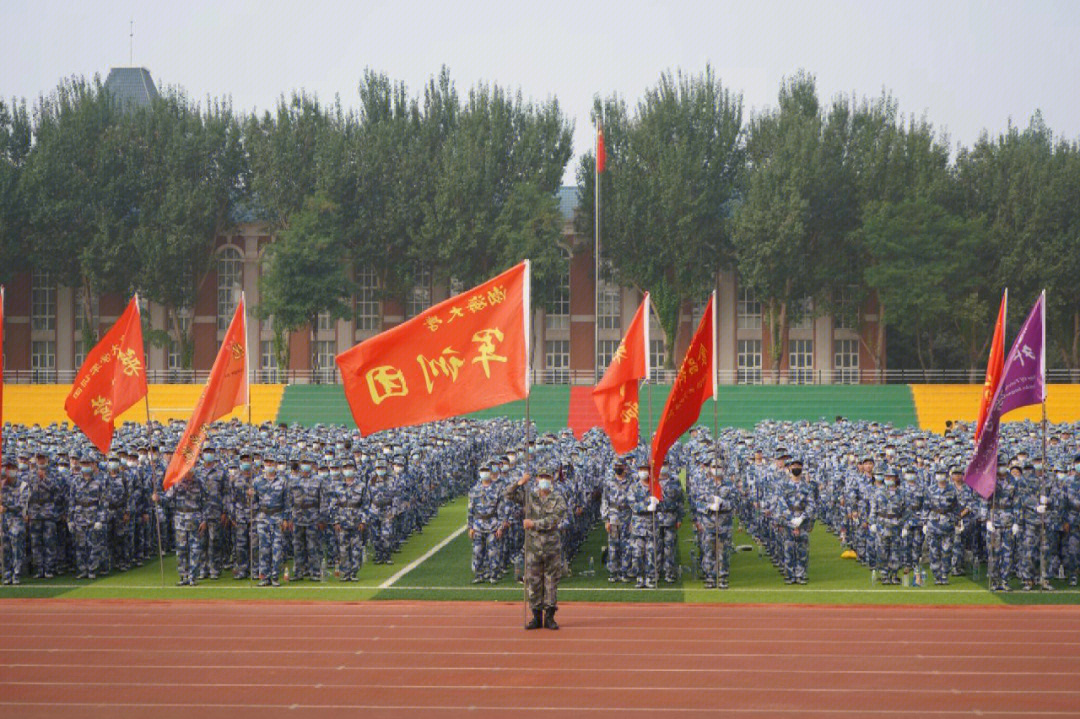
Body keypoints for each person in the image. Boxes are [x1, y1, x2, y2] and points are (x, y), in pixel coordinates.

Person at [505, 469, 567, 630]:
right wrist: (520, 483)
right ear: (536, 480)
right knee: (533, 583)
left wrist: (534, 524)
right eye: (541, 477)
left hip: (551, 547)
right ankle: (536, 617)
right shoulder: (529, 497)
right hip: (533, 547)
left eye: (547, 477)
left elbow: (555, 519)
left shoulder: (558, 498)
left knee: (551, 583)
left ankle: (550, 617)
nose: (544, 480)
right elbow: (508, 495)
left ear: (552, 480)